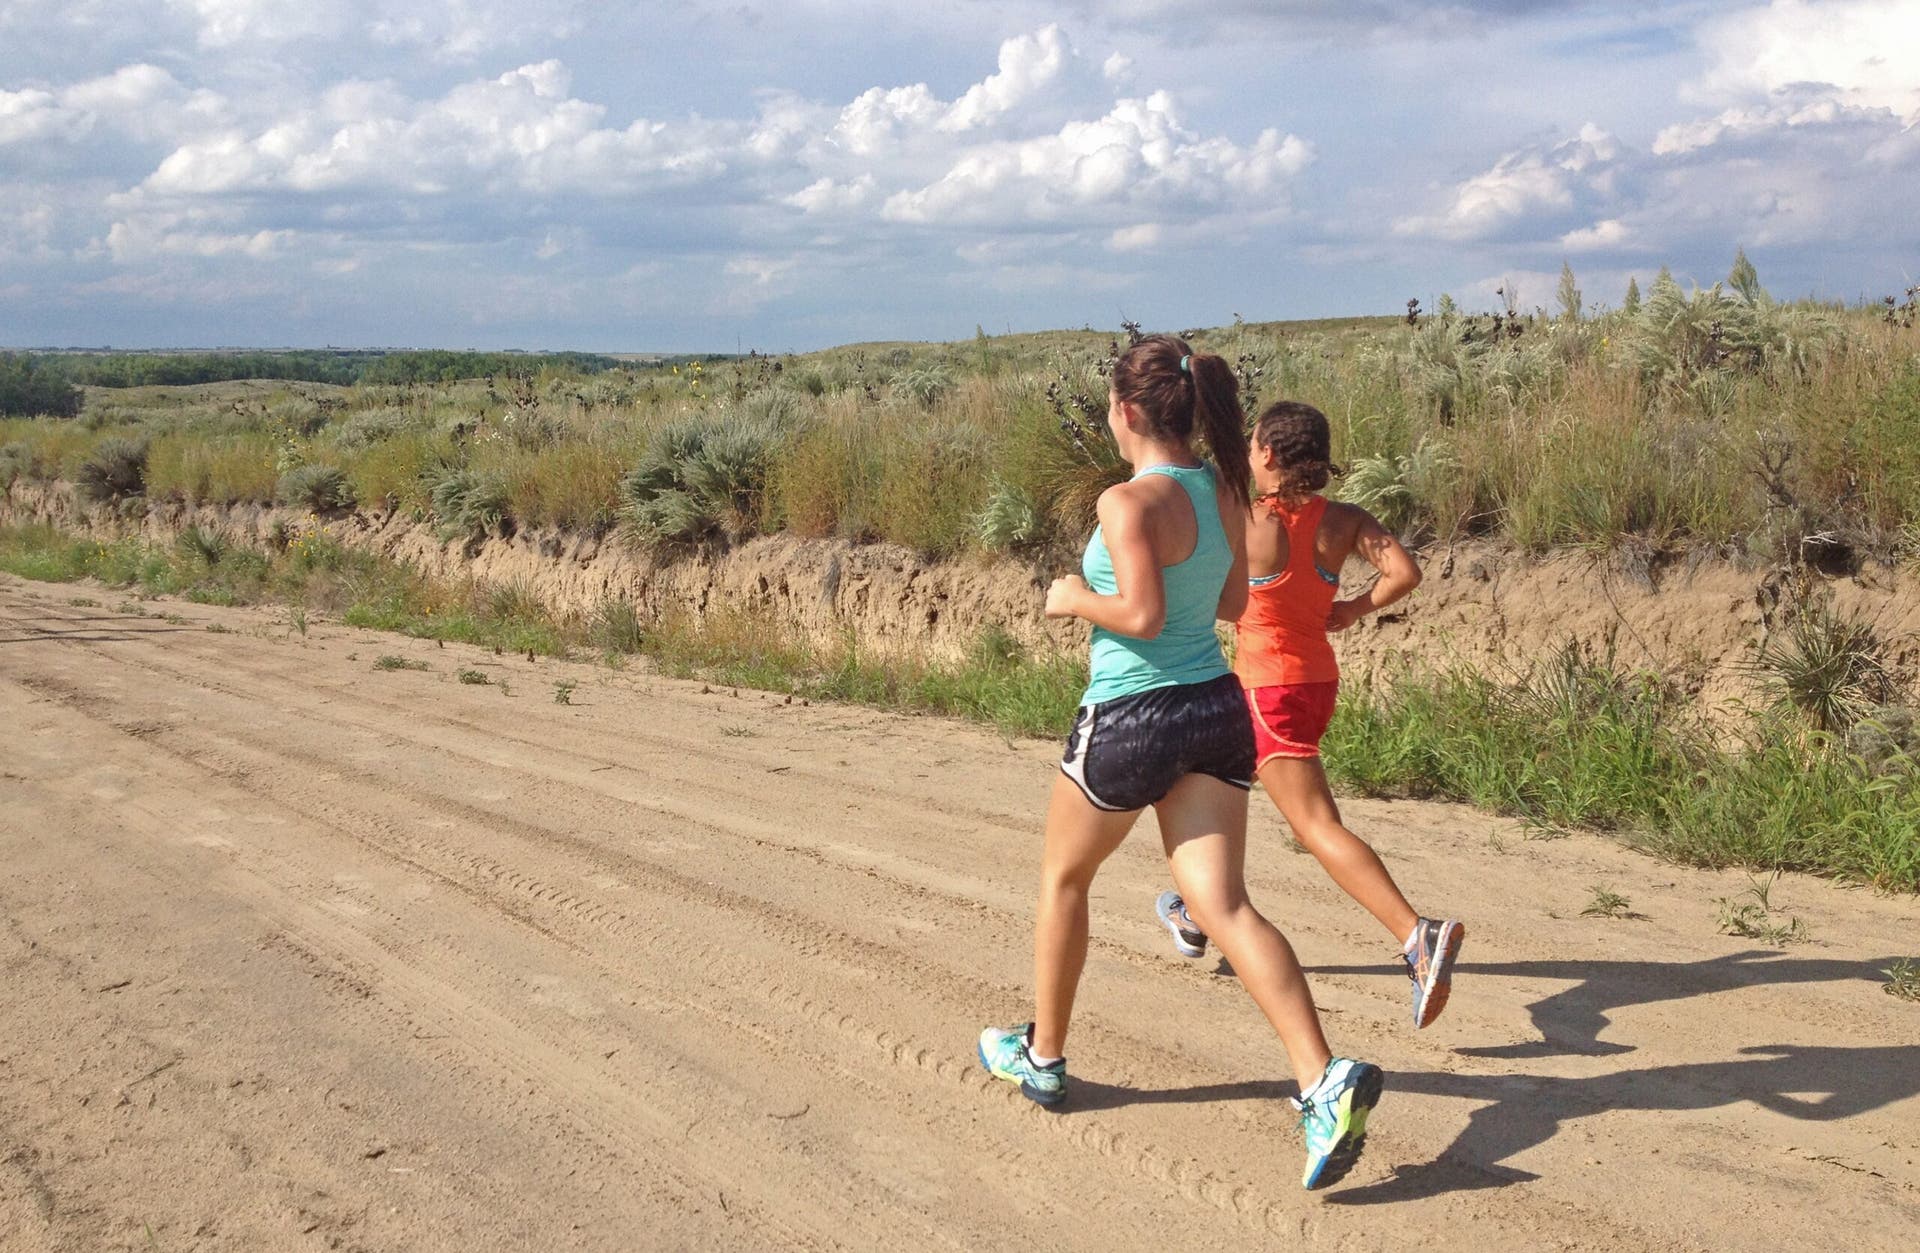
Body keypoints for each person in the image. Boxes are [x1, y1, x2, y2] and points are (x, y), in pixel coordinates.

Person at [978, 339, 1382, 1191]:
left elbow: (1142, 612)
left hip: (1132, 714)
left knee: (1062, 880)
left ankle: (1043, 1057)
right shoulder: (1226, 487)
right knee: (1226, 904)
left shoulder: (1126, 500)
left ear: (1127, 411)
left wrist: (1071, 598)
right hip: (1216, 711)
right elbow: (1233, 602)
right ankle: (1321, 1078)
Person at [1152, 400, 1464, 1029]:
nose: (1244, 452)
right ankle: (1194, 907)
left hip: (1266, 691)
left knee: (1315, 825)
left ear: (1266, 453)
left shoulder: (1246, 517)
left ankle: (1415, 934)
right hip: (1315, 681)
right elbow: (1405, 572)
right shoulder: (1343, 520)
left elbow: (1213, 592)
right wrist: (1350, 608)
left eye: (1251, 444)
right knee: (1199, 784)